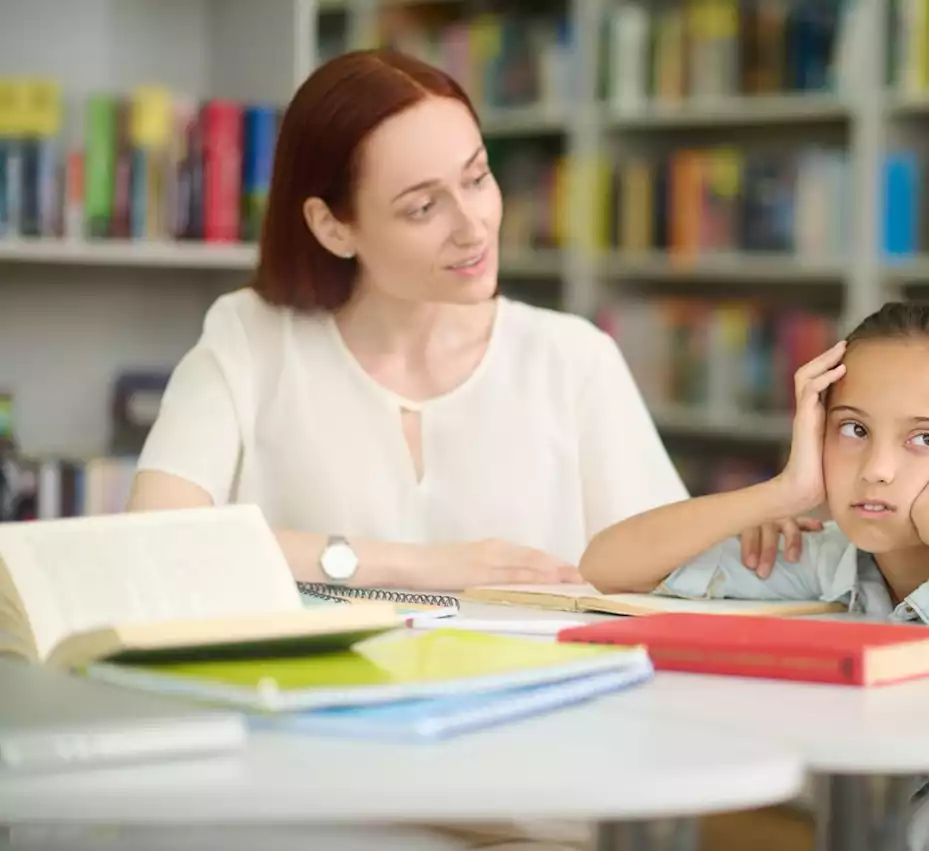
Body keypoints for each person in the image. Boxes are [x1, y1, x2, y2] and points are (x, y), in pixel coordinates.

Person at [125, 48, 700, 592]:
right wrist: (420, 565)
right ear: (333, 227)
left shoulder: (574, 358)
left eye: (477, 179)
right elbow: (158, 539)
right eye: (423, 207)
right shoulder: (249, 338)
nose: (472, 227)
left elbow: (666, 573)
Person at [579, 301, 929, 851]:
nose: (876, 469)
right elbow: (607, 566)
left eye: (925, 439)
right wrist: (782, 492)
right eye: (853, 429)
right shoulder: (830, 559)